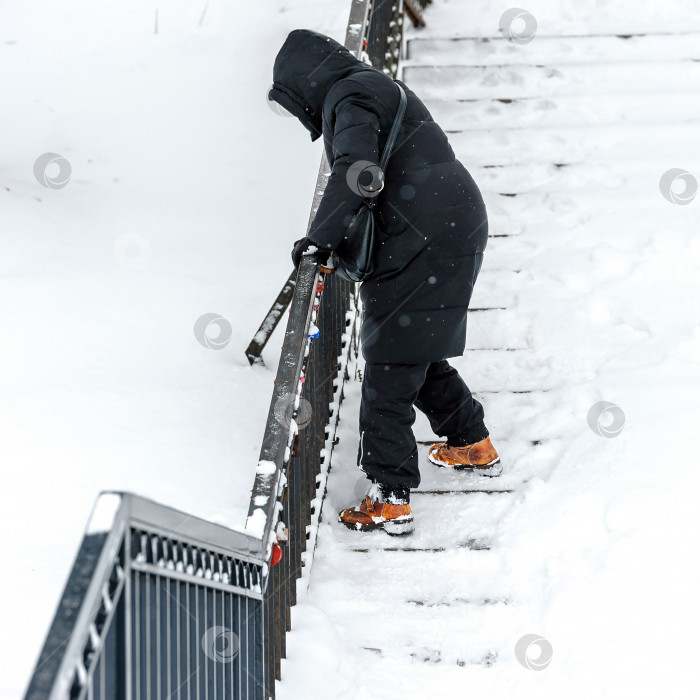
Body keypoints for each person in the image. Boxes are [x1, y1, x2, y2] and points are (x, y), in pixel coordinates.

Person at [269, 29, 500, 535]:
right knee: (411, 341)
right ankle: (469, 441)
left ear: (306, 83)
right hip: (450, 218)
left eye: (292, 102)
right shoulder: (370, 85)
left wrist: (319, 239)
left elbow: (358, 169)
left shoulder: (350, 95)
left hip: (420, 230)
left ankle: (389, 495)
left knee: (390, 360)